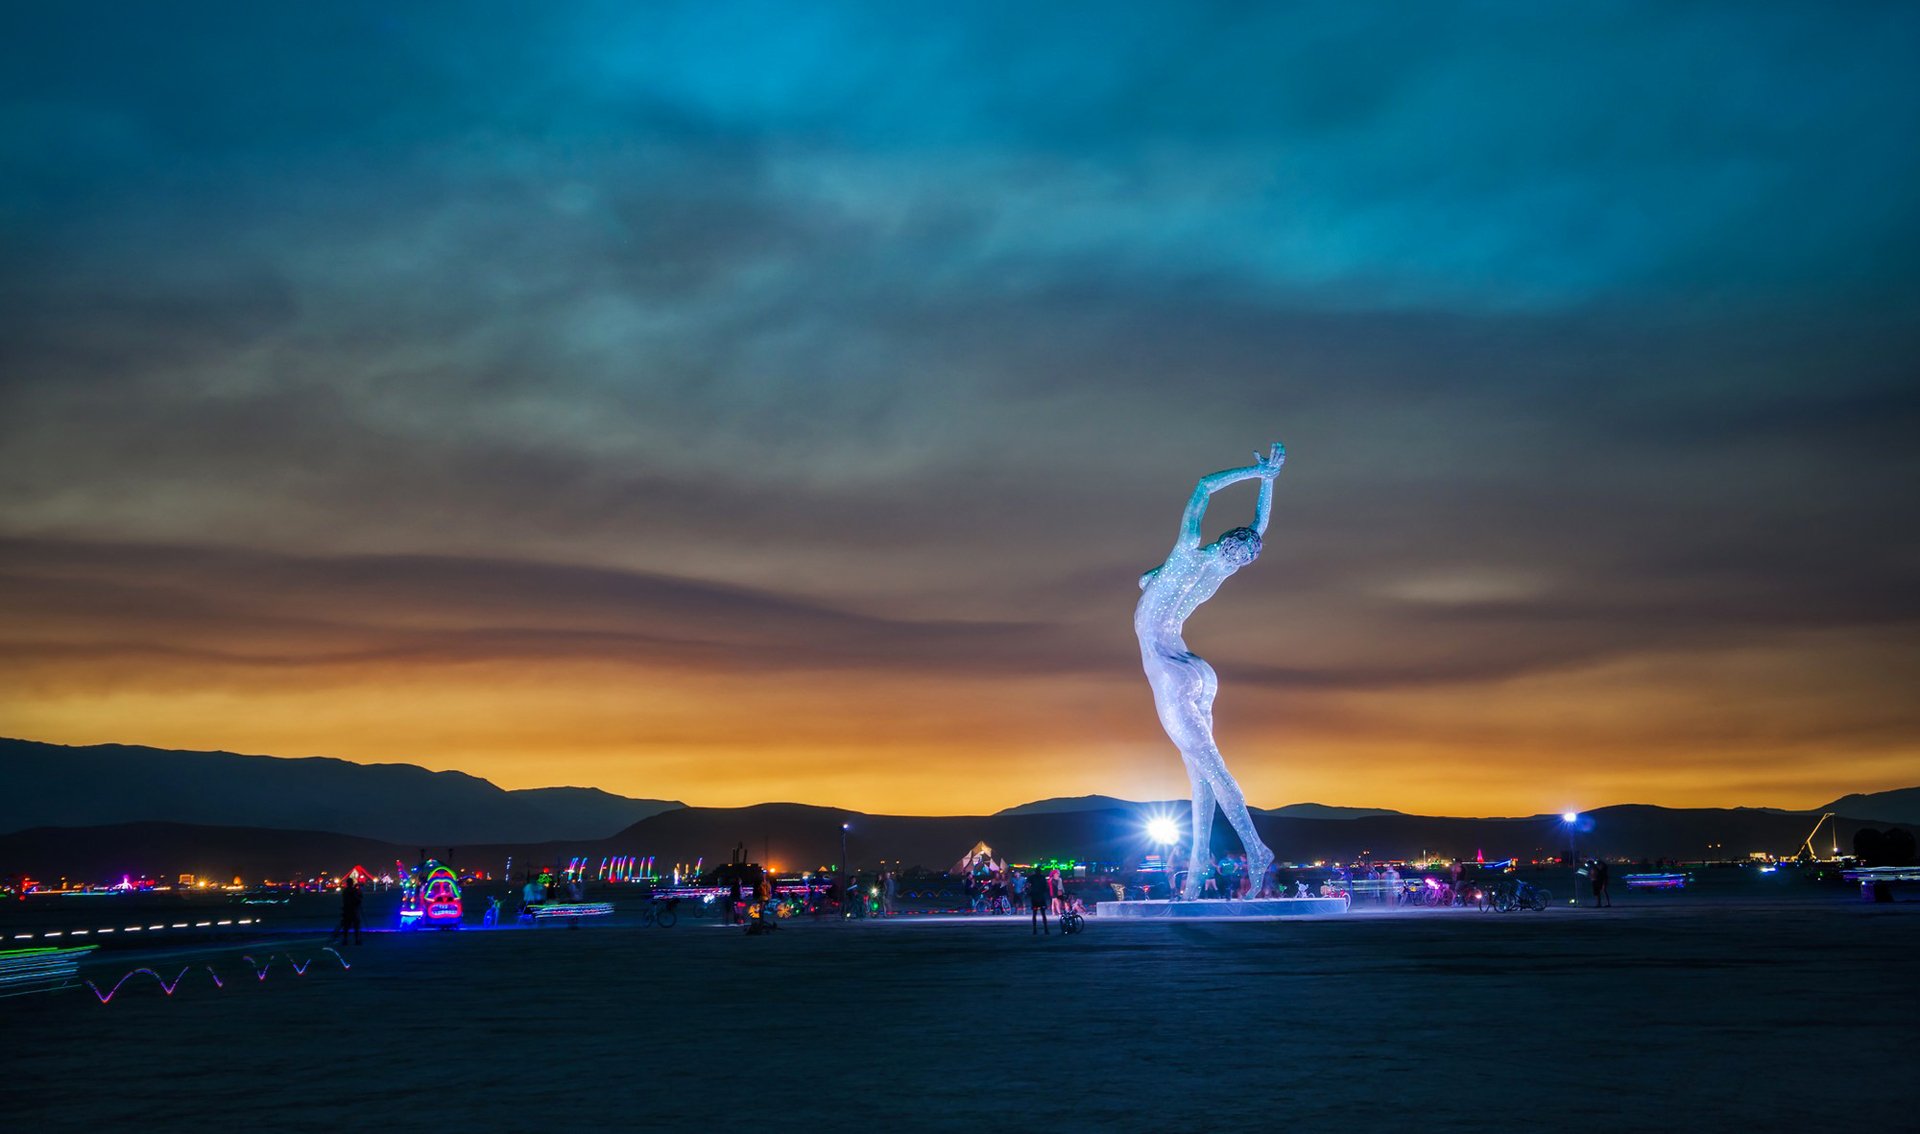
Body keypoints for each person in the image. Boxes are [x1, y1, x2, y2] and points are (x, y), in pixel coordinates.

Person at [1137, 445, 1287, 899]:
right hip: (1197, 669)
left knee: (1212, 768)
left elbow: (1203, 486)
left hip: (1168, 665)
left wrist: (1258, 471)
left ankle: (1256, 848)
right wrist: (1269, 481)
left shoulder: (1188, 554)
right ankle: (1198, 869)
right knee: (1198, 770)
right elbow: (1257, 529)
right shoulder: (1223, 567)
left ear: (1224, 542)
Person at [336, 876, 363, 945]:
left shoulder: (345, 891)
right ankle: (356, 940)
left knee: (346, 926)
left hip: (347, 910)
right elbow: (359, 898)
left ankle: (346, 940)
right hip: (353, 910)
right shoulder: (353, 891)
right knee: (355, 926)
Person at [1028, 866, 1051, 936]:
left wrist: (1030, 893)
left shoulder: (1032, 877)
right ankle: (1046, 929)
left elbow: (1028, 885)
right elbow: (1046, 887)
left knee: (1034, 914)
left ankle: (1035, 930)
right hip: (1041, 898)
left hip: (1034, 898)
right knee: (1043, 914)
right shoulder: (1042, 877)